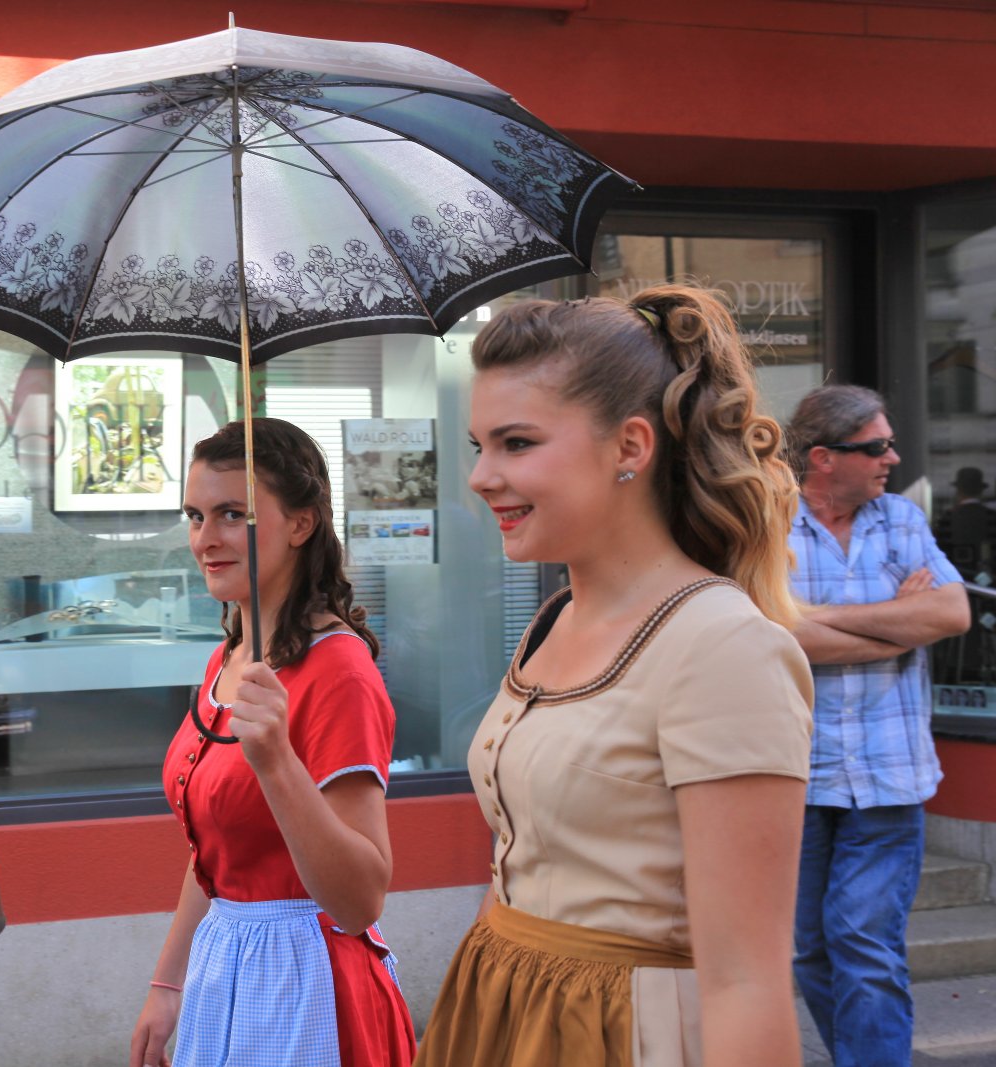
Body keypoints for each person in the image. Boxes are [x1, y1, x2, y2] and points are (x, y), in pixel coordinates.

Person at [416, 286, 816, 1067]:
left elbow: (746, 980)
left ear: (631, 446)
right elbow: (520, 865)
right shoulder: (553, 620)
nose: (481, 476)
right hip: (501, 1006)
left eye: (517, 443)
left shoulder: (722, 645)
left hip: (627, 1034)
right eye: (479, 446)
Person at [130, 417, 415, 1067]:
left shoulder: (339, 671)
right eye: (195, 516)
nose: (206, 538)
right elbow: (215, 852)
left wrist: (278, 762)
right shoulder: (229, 658)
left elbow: (360, 899)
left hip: (307, 982)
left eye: (233, 514)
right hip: (224, 968)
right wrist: (168, 984)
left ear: (300, 523)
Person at [784, 385, 970, 1067]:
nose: (893, 457)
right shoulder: (770, 523)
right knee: (811, 949)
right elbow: (772, 635)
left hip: (890, 774)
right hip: (796, 774)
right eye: (878, 447)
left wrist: (816, 621)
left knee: (864, 944)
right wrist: (895, 625)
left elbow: (950, 614)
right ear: (824, 458)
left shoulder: (900, 518)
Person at [935, 466, 995, 581]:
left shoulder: (947, 518)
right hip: (989, 579)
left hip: (957, 578)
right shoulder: (992, 516)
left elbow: (940, 553)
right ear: (981, 491)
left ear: (959, 491)